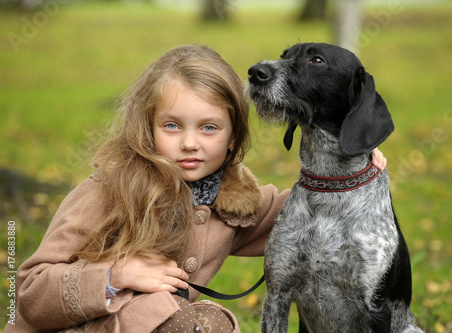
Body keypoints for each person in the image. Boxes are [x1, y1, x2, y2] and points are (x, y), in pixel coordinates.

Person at [4, 44, 387, 333]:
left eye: (209, 128)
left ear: (233, 137)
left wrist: (353, 155)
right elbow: (29, 291)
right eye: (172, 126)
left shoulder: (235, 203)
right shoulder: (110, 189)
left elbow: (304, 211)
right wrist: (115, 275)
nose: (190, 143)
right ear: (146, 127)